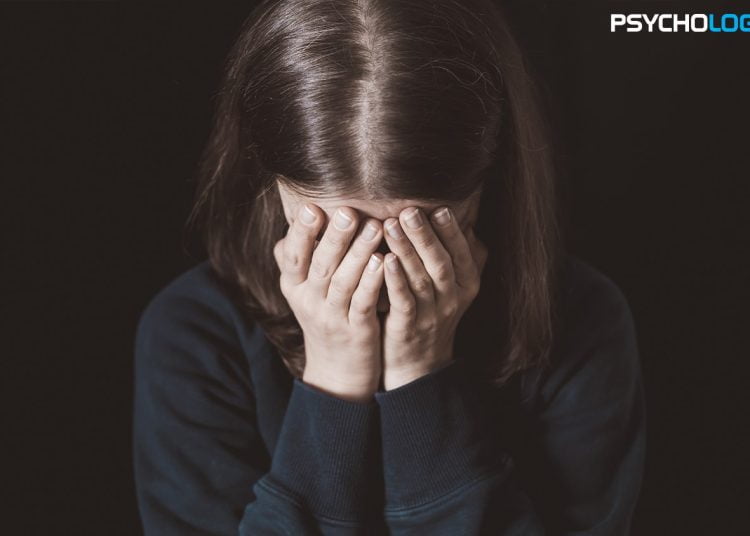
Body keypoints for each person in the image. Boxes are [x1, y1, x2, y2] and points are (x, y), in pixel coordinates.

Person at [132, 0, 646, 534]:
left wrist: (422, 376)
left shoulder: (581, 321)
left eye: (417, 234)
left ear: (485, 183)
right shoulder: (194, 335)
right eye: (338, 234)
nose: (375, 274)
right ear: (272, 183)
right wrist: (333, 381)